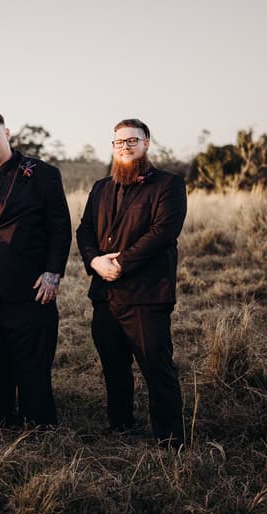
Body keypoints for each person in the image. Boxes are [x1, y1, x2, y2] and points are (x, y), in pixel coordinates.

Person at [76, 118, 187, 447]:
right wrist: (95, 262)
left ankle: (169, 439)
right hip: (105, 293)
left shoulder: (168, 185)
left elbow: (163, 233)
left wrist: (120, 264)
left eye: (132, 141)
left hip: (146, 294)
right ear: (112, 147)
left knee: (157, 368)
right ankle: (120, 425)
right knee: (113, 365)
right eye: (119, 142)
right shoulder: (101, 188)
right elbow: (84, 231)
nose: (125, 146)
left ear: (147, 143)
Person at [0, 111, 71, 426]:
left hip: (30, 283)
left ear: (7, 133)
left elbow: (59, 228)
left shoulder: (44, 173)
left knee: (32, 359)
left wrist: (52, 274)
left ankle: (38, 423)